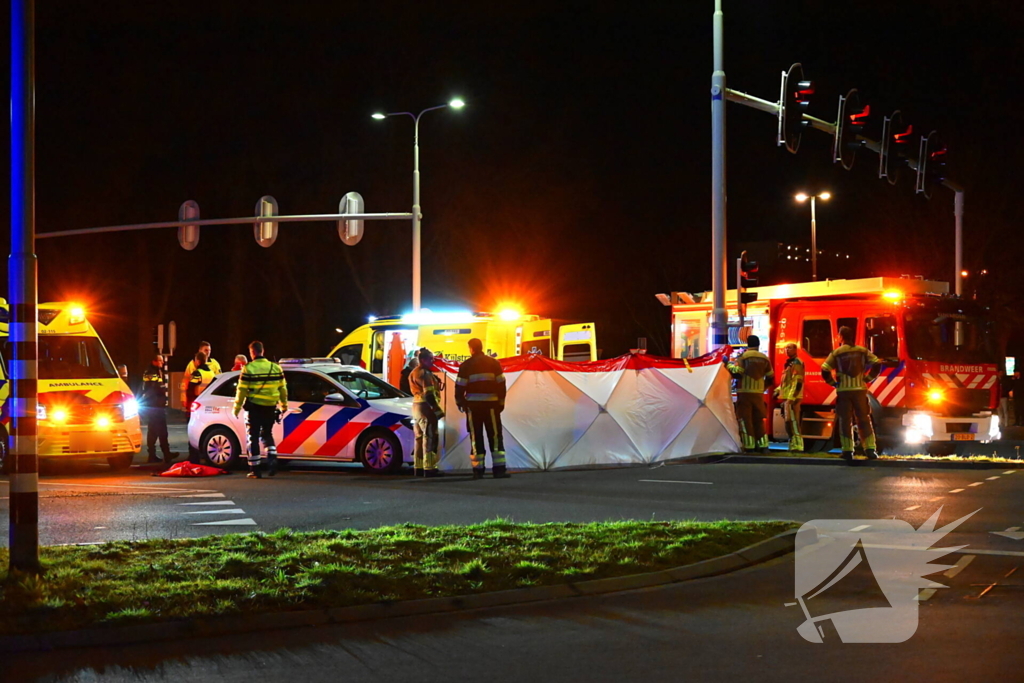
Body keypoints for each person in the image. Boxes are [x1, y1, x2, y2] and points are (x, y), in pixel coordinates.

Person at [821, 326, 881, 462]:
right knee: (864, 419)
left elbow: (825, 369)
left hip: (844, 392)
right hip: (860, 390)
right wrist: (868, 378)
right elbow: (877, 363)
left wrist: (833, 383)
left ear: (841, 337)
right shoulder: (862, 351)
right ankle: (870, 449)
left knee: (845, 421)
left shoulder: (836, 353)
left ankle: (848, 451)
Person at [455, 338, 509, 479]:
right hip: (492, 406)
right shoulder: (493, 363)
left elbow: (460, 387)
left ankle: (478, 471)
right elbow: (501, 384)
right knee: (495, 436)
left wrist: (461, 403)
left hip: (473, 407)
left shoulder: (466, 365)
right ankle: (499, 470)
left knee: (476, 437)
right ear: (481, 347)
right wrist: (501, 403)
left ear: (471, 348)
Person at [233, 340, 288, 479]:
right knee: (267, 434)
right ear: (263, 351)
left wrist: (237, 407)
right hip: (270, 407)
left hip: (255, 408)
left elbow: (242, 390)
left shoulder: (248, 368)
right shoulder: (276, 368)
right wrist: (283, 405)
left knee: (253, 437)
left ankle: (255, 469)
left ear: (252, 353)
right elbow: (283, 388)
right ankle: (272, 460)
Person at [726, 335, 774, 454]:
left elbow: (738, 372)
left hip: (745, 393)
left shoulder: (744, 357)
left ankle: (749, 446)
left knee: (745, 419)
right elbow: (771, 377)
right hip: (758, 394)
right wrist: (762, 388)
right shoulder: (765, 358)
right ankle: (763, 446)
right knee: (758, 420)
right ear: (758, 344)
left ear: (748, 344)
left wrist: (728, 364)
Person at [409, 348, 444, 478]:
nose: (432, 361)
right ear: (423, 360)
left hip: (416, 407)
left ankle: (418, 467)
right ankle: (430, 467)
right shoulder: (425, 373)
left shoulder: (414, 372)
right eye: (430, 359)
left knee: (418, 437)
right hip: (426, 408)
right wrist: (437, 410)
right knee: (430, 437)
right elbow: (429, 394)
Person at [140, 354, 177, 464]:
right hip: (154, 406)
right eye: (160, 361)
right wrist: (161, 392)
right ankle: (163, 454)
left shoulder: (157, 371)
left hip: (157, 406)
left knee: (157, 431)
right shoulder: (151, 372)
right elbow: (151, 389)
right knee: (158, 431)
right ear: (154, 361)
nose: (162, 363)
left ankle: (160, 454)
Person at [774, 343, 804, 452]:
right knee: (788, 422)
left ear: (796, 350)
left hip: (793, 398)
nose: (787, 350)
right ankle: (792, 444)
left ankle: (798, 445)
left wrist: (791, 398)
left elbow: (797, 381)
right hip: (787, 398)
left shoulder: (797, 363)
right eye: (786, 348)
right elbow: (785, 383)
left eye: (790, 348)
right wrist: (777, 391)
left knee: (793, 421)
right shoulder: (789, 364)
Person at [180, 341, 221, 406]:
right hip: (197, 397)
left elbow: (219, 381)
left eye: (209, 350)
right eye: (206, 350)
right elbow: (185, 382)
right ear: (200, 350)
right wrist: (184, 398)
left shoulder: (215, 364)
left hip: (209, 398)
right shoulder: (192, 364)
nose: (208, 352)